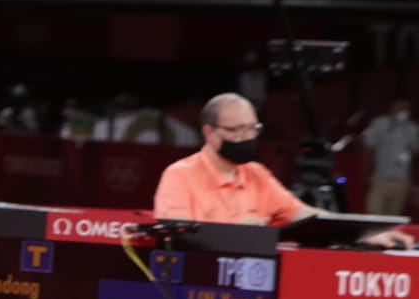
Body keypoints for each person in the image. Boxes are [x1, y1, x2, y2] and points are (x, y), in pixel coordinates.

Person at [154, 93, 413, 249]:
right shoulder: (179, 175)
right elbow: (175, 239)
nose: (247, 137)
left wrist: (365, 234)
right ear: (209, 133)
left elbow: (305, 215)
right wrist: (234, 231)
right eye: (237, 130)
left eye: (252, 128)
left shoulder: (256, 174)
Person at [360, 98, 418, 216]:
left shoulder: (413, 128)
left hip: (401, 180)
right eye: (400, 107)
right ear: (392, 108)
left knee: (394, 216)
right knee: (374, 214)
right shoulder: (379, 123)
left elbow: (416, 152)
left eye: (406, 108)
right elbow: (369, 148)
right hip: (381, 178)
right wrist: (365, 172)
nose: (403, 111)